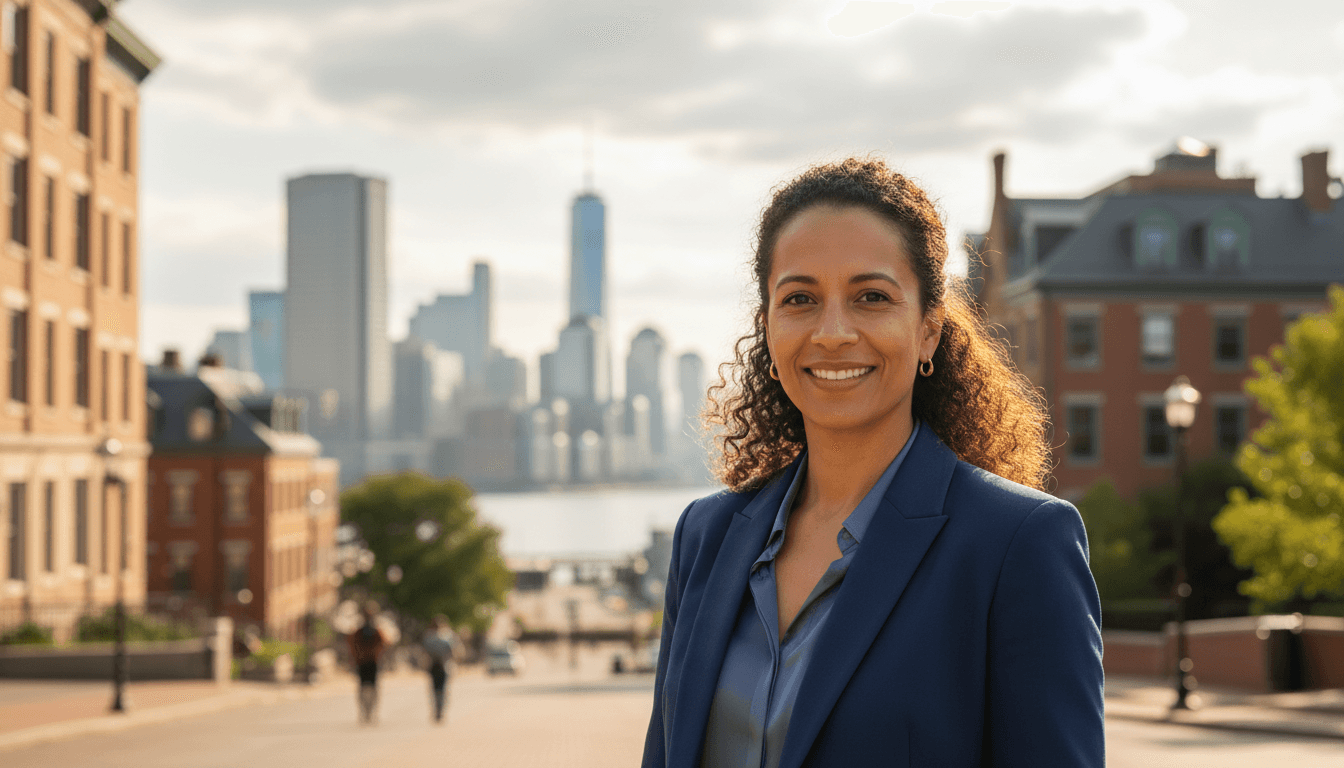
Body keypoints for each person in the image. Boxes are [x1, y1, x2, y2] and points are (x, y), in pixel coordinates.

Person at [642, 158, 1104, 768]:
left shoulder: (1018, 545)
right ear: (769, 331)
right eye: (800, 298)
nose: (832, 332)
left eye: (871, 297)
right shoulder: (706, 536)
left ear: (929, 330)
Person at [348, 601, 387, 724]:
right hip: (363, 663)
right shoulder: (358, 632)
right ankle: (365, 712)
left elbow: (383, 645)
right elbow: (353, 647)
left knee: (372, 689)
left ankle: (371, 712)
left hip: (372, 663)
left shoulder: (376, 632)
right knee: (363, 689)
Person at [421, 615, 459, 723]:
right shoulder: (447, 637)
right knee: (442, 690)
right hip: (443, 666)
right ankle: (440, 711)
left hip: (434, 666)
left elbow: (425, 652)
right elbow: (453, 653)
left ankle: (437, 711)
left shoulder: (429, 638)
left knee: (435, 690)